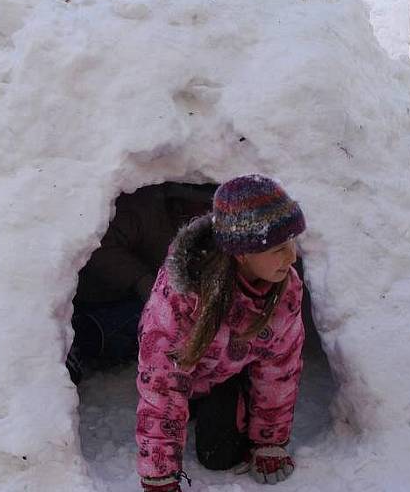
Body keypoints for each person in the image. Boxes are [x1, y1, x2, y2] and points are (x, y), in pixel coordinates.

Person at [136, 174, 307, 491]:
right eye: (280, 248)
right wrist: (159, 475)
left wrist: (268, 441)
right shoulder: (182, 296)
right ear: (242, 253)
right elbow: (162, 383)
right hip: (187, 376)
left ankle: (238, 399)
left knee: (219, 455)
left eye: (294, 242)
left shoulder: (286, 290)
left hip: (225, 375)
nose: (293, 257)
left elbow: (279, 370)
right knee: (173, 411)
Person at [67, 184, 214, 384]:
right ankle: (75, 343)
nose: (210, 212)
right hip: (101, 296)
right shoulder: (143, 210)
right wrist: (141, 278)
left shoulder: (206, 229)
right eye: (205, 204)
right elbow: (98, 248)